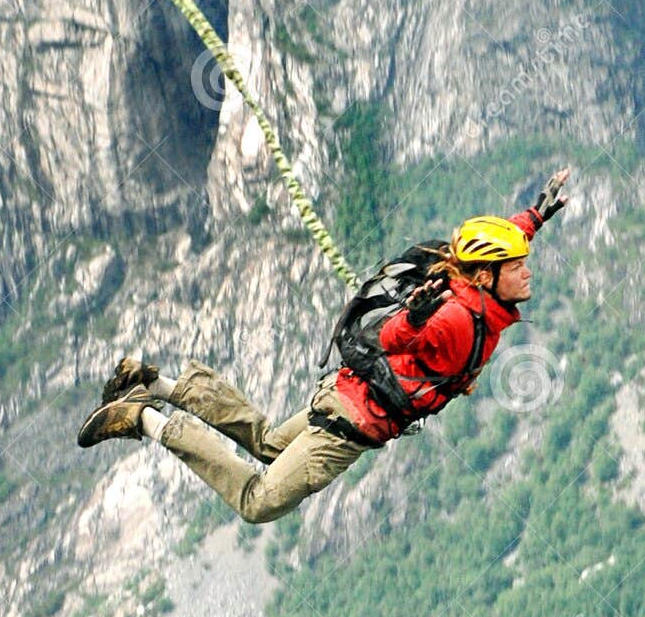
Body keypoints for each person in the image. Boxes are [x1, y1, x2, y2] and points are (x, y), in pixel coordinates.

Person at [76, 166, 570, 523]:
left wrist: (534, 218)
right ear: (487, 277)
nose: (527, 272)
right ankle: (142, 415)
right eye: (518, 267)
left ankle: (157, 382)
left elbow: (489, 247)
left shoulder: (471, 284)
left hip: (342, 393)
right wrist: (415, 323)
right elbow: (392, 338)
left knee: (268, 443)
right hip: (348, 426)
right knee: (257, 502)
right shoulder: (459, 321)